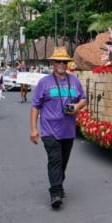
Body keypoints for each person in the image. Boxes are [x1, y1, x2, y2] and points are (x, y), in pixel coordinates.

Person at [29, 47, 87, 209]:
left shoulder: (74, 80)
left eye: (64, 61)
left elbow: (83, 99)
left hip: (68, 131)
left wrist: (76, 107)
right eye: (58, 61)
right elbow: (35, 106)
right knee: (55, 160)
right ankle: (55, 193)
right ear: (53, 63)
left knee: (63, 162)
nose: (62, 64)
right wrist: (33, 129)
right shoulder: (44, 82)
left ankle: (59, 184)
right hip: (49, 130)